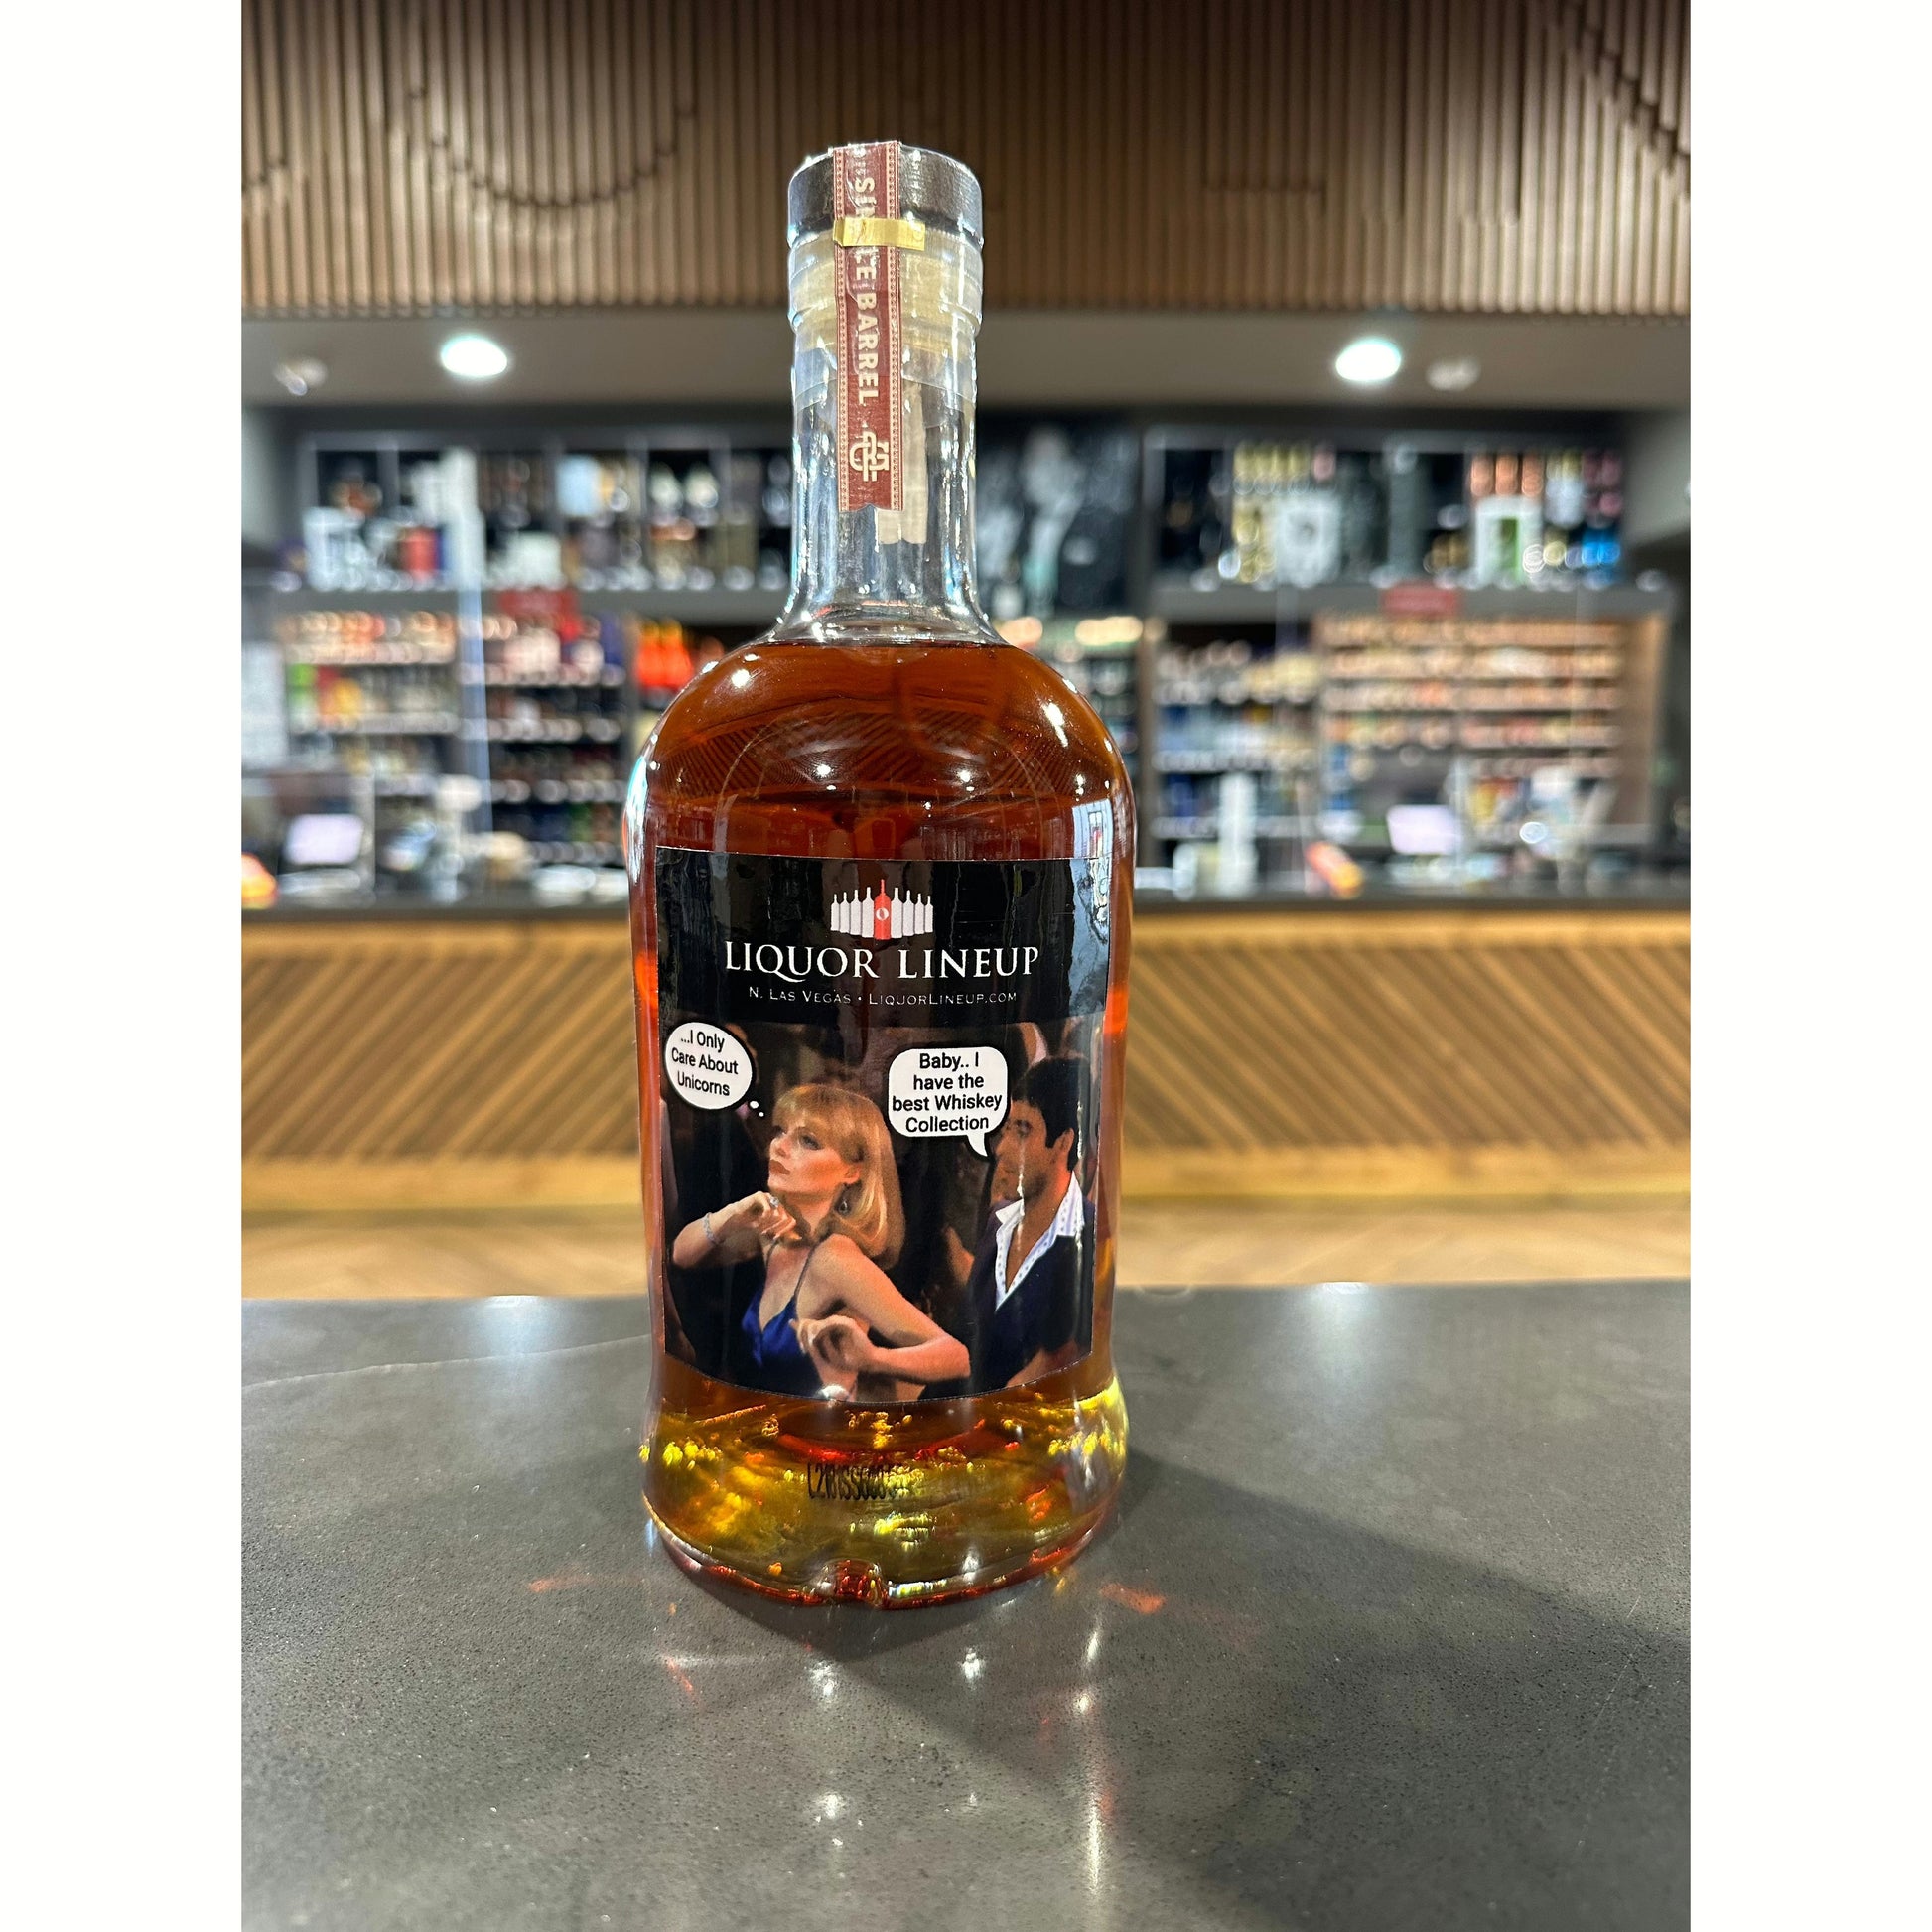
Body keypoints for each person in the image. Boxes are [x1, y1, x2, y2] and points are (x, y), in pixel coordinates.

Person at [670, 1082, 969, 1403]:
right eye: (780, 1131)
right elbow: (682, 1255)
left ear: (852, 1172)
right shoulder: (775, 1234)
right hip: (767, 1424)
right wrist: (731, 1214)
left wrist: (873, 1359)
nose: (780, 1146)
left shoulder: (836, 1259)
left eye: (808, 1141)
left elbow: (957, 1357)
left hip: (824, 1429)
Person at [961, 1056, 1096, 1390]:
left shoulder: (1088, 1239)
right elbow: (967, 1344)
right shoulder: (998, 1223)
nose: (1001, 1149)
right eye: (1006, 1129)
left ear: (1063, 1143)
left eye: (1022, 1131)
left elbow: (1052, 1366)